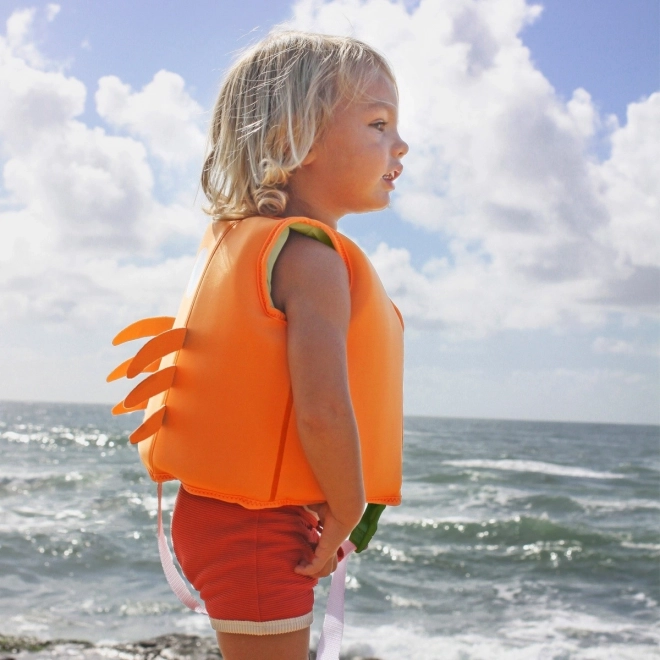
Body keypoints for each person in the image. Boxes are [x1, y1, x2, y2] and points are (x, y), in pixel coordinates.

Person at [115, 30, 408, 660]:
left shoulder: (249, 242)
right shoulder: (312, 259)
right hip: (256, 525)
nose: (400, 145)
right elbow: (323, 406)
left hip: (217, 512)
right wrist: (348, 502)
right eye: (378, 124)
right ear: (291, 139)